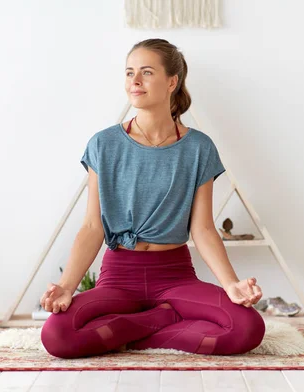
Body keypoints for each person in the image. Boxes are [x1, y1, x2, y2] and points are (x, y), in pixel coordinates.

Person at [40, 38, 265, 359]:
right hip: (118, 277)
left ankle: (131, 331)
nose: (134, 80)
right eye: (129, 72)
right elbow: (92, 227)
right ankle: (162, 319)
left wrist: (231, 284)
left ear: (172, 81)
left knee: (247, 328)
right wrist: (66, 287)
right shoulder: (104, 144)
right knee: (57, 336)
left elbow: (202, 229)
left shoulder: (198, 148)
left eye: (146, 72)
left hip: (175, 277)